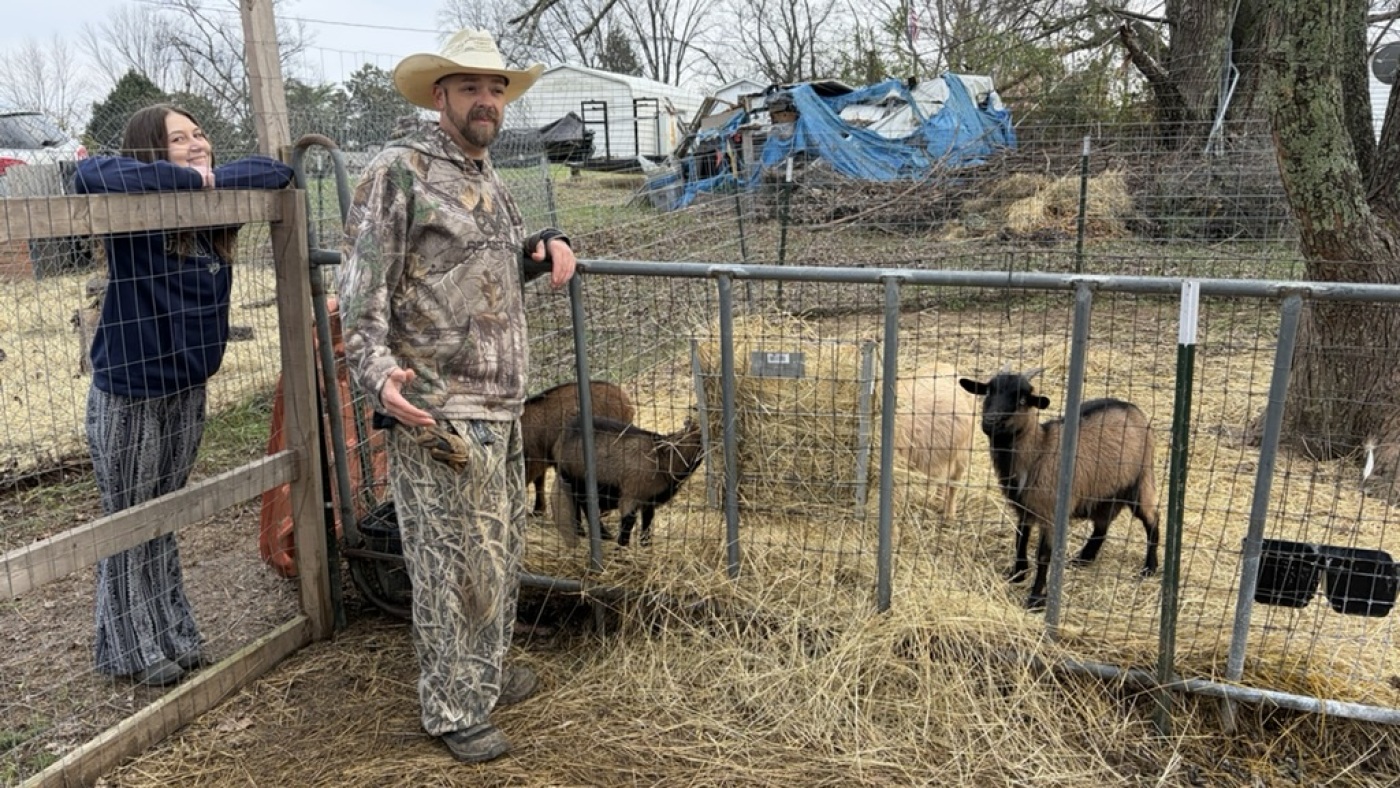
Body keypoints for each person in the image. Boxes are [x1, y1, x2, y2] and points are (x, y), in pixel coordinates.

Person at [336, 29, 577, 764]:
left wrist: (545, 244)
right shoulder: (398, 172)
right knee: (450, 568)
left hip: (502, 404)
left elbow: (489, 268)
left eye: (495, 88)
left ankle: (484, 674)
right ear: (439, 95)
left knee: (497, 554)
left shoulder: (487, 176)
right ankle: (453, 707)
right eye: (470, 87)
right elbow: (360, 292)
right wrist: (378, 374)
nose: (486, 100)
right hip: (437, 409)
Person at [74, 105, 295, 687]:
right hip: (130, 393)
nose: (197, 144)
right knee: (130, 520)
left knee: (164, 515)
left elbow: (276, 172)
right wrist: (186, 179)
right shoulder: (136, 211)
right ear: (152, 152)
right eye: (179, 139)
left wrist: (206, 179)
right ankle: (132, 649)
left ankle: (174, 631)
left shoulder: (212, 214)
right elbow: (89, 173)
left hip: (187, 389)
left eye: (200, 134)